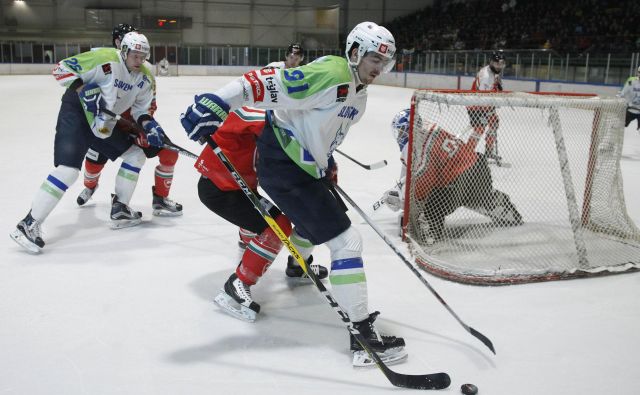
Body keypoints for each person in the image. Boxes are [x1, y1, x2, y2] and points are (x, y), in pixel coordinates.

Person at [180, 21, 406, 367]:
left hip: (302, 169)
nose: (379, 68)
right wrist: (216, 101)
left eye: (384, 63)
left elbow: (321, 132)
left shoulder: (358, 94)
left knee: (307, 226)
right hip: (284, 166)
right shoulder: (332, 72)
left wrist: (325, 163)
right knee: (347, 242)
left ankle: (296, 267)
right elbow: (264, 83)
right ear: (356, 52)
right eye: (374, 59)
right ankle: (363, 338)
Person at [10, 31, 166, 253]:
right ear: (124, 51)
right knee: (68, 171)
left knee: (135, 154)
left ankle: (120, 209)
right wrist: (83, 90)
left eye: (143, 57)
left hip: (104, 120)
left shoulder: (145, 77)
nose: (139, 61)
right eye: (135, 56)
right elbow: (61, 69)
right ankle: (28, 224)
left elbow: (141, 109)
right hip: (76, 112)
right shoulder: (104, 57)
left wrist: (149, 125)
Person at [195, 106, 329, 322]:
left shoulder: (280, 115)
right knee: (278, 225)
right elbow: (249, 119)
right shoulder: (258, 112)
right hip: (219, 189)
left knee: (289, 212)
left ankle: (291, 265)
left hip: (239, 186)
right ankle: (237, 284)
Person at [76, 24, 182, 218]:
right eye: (121, 40)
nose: (138, 56)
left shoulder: (144, 70)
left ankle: (160, 199)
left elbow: (148, 105)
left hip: (132, 123)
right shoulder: (104, 61)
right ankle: (89, 186)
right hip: (105, 123)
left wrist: (146, 129)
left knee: (169, 153)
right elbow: (84, 90)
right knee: (95, 158)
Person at [386, 109, 522, 246]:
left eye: (402, 131)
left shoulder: (418, 148)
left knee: (431, 202)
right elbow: (411, 169)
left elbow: (424, 184)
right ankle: (491, 200)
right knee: (474, 197)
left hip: (460, 183)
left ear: (411, 129)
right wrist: (401, 189)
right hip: (478, 169)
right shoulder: (428, 129)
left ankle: (429, 231)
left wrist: (407, 202)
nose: (400, 136)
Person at [469, 50, 505, 162]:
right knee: (480, 128)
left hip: (486, 104)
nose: (499, 66)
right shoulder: (485, 76)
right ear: (491, 62)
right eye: (497, 64)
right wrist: (488, 109)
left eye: (501, 64)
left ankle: (489, 151)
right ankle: (467, 152)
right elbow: (481, 96)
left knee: (494, 122)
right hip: (475, 104)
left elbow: (495, 86)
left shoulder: (494, 71)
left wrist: (498, 86)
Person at [618, 66, 640, 131]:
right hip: (630, 110)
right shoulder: (631, 81)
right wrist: (618, 98)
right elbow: (623, 92)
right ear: (638, 73)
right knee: (619, 126)